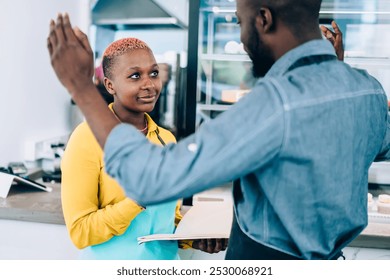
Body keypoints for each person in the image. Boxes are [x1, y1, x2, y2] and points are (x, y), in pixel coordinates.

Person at [47, 0, 390, 260]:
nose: (241, 39)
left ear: (263, 19)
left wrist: (80, 86)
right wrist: (333, 76)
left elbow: (151, 179)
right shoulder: (368, 91)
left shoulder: (274, 104)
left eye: (240, 22)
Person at [60, 37, 227, 260]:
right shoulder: (86, 138)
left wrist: (193, 238)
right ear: (110, 85)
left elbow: (167, 219)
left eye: (154, 73)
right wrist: (138, 199)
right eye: (135, 76)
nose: (149, 84)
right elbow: (81, 232)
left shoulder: (166, 139)